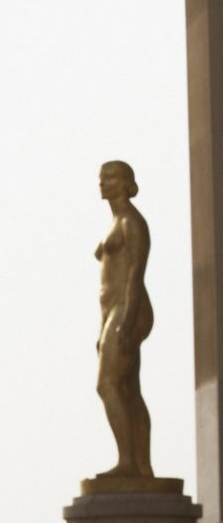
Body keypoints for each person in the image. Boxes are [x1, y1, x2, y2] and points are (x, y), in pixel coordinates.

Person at [93, 159, 157, 482]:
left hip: (129, 307)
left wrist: (127, 320)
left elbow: (134, 274)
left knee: (107, 384)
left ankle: (129, 461)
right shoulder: (116, 221)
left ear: (127, 182)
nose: (103, 181)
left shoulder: (131, 222)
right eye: (102, 176)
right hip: (115, 311)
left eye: (111, 176)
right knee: (129, 389)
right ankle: (140, 465)